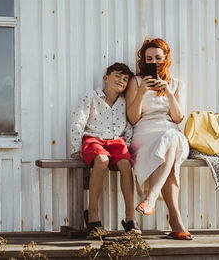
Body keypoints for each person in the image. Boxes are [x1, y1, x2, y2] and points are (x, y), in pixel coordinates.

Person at [125, 38, 193, 240]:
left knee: (172, 137)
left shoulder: (177, 84)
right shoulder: (136, 82)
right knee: (170, 160)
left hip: (170, 131)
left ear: (166, 59)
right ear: (143, 61)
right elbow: (133, 118)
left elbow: (179, 118)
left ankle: (152, 197)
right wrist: (142, 92)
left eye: (158, 58)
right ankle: (175, 220)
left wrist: (170, 94)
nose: (154, 62)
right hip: (145, 133)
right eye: (149, 58)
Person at [70, 62, 141, 235]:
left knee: (126, 164)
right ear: (105, 78)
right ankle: (92, 212)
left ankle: (130, 217)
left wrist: (129, 146)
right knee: (102, 160)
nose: (121, 80)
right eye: (117, 76)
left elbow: (129, 127)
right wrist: (76, 148)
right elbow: (78, 122)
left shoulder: (125, 102)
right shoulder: (92, 97)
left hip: (117, 141)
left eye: (125, 79)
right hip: (93, 139)